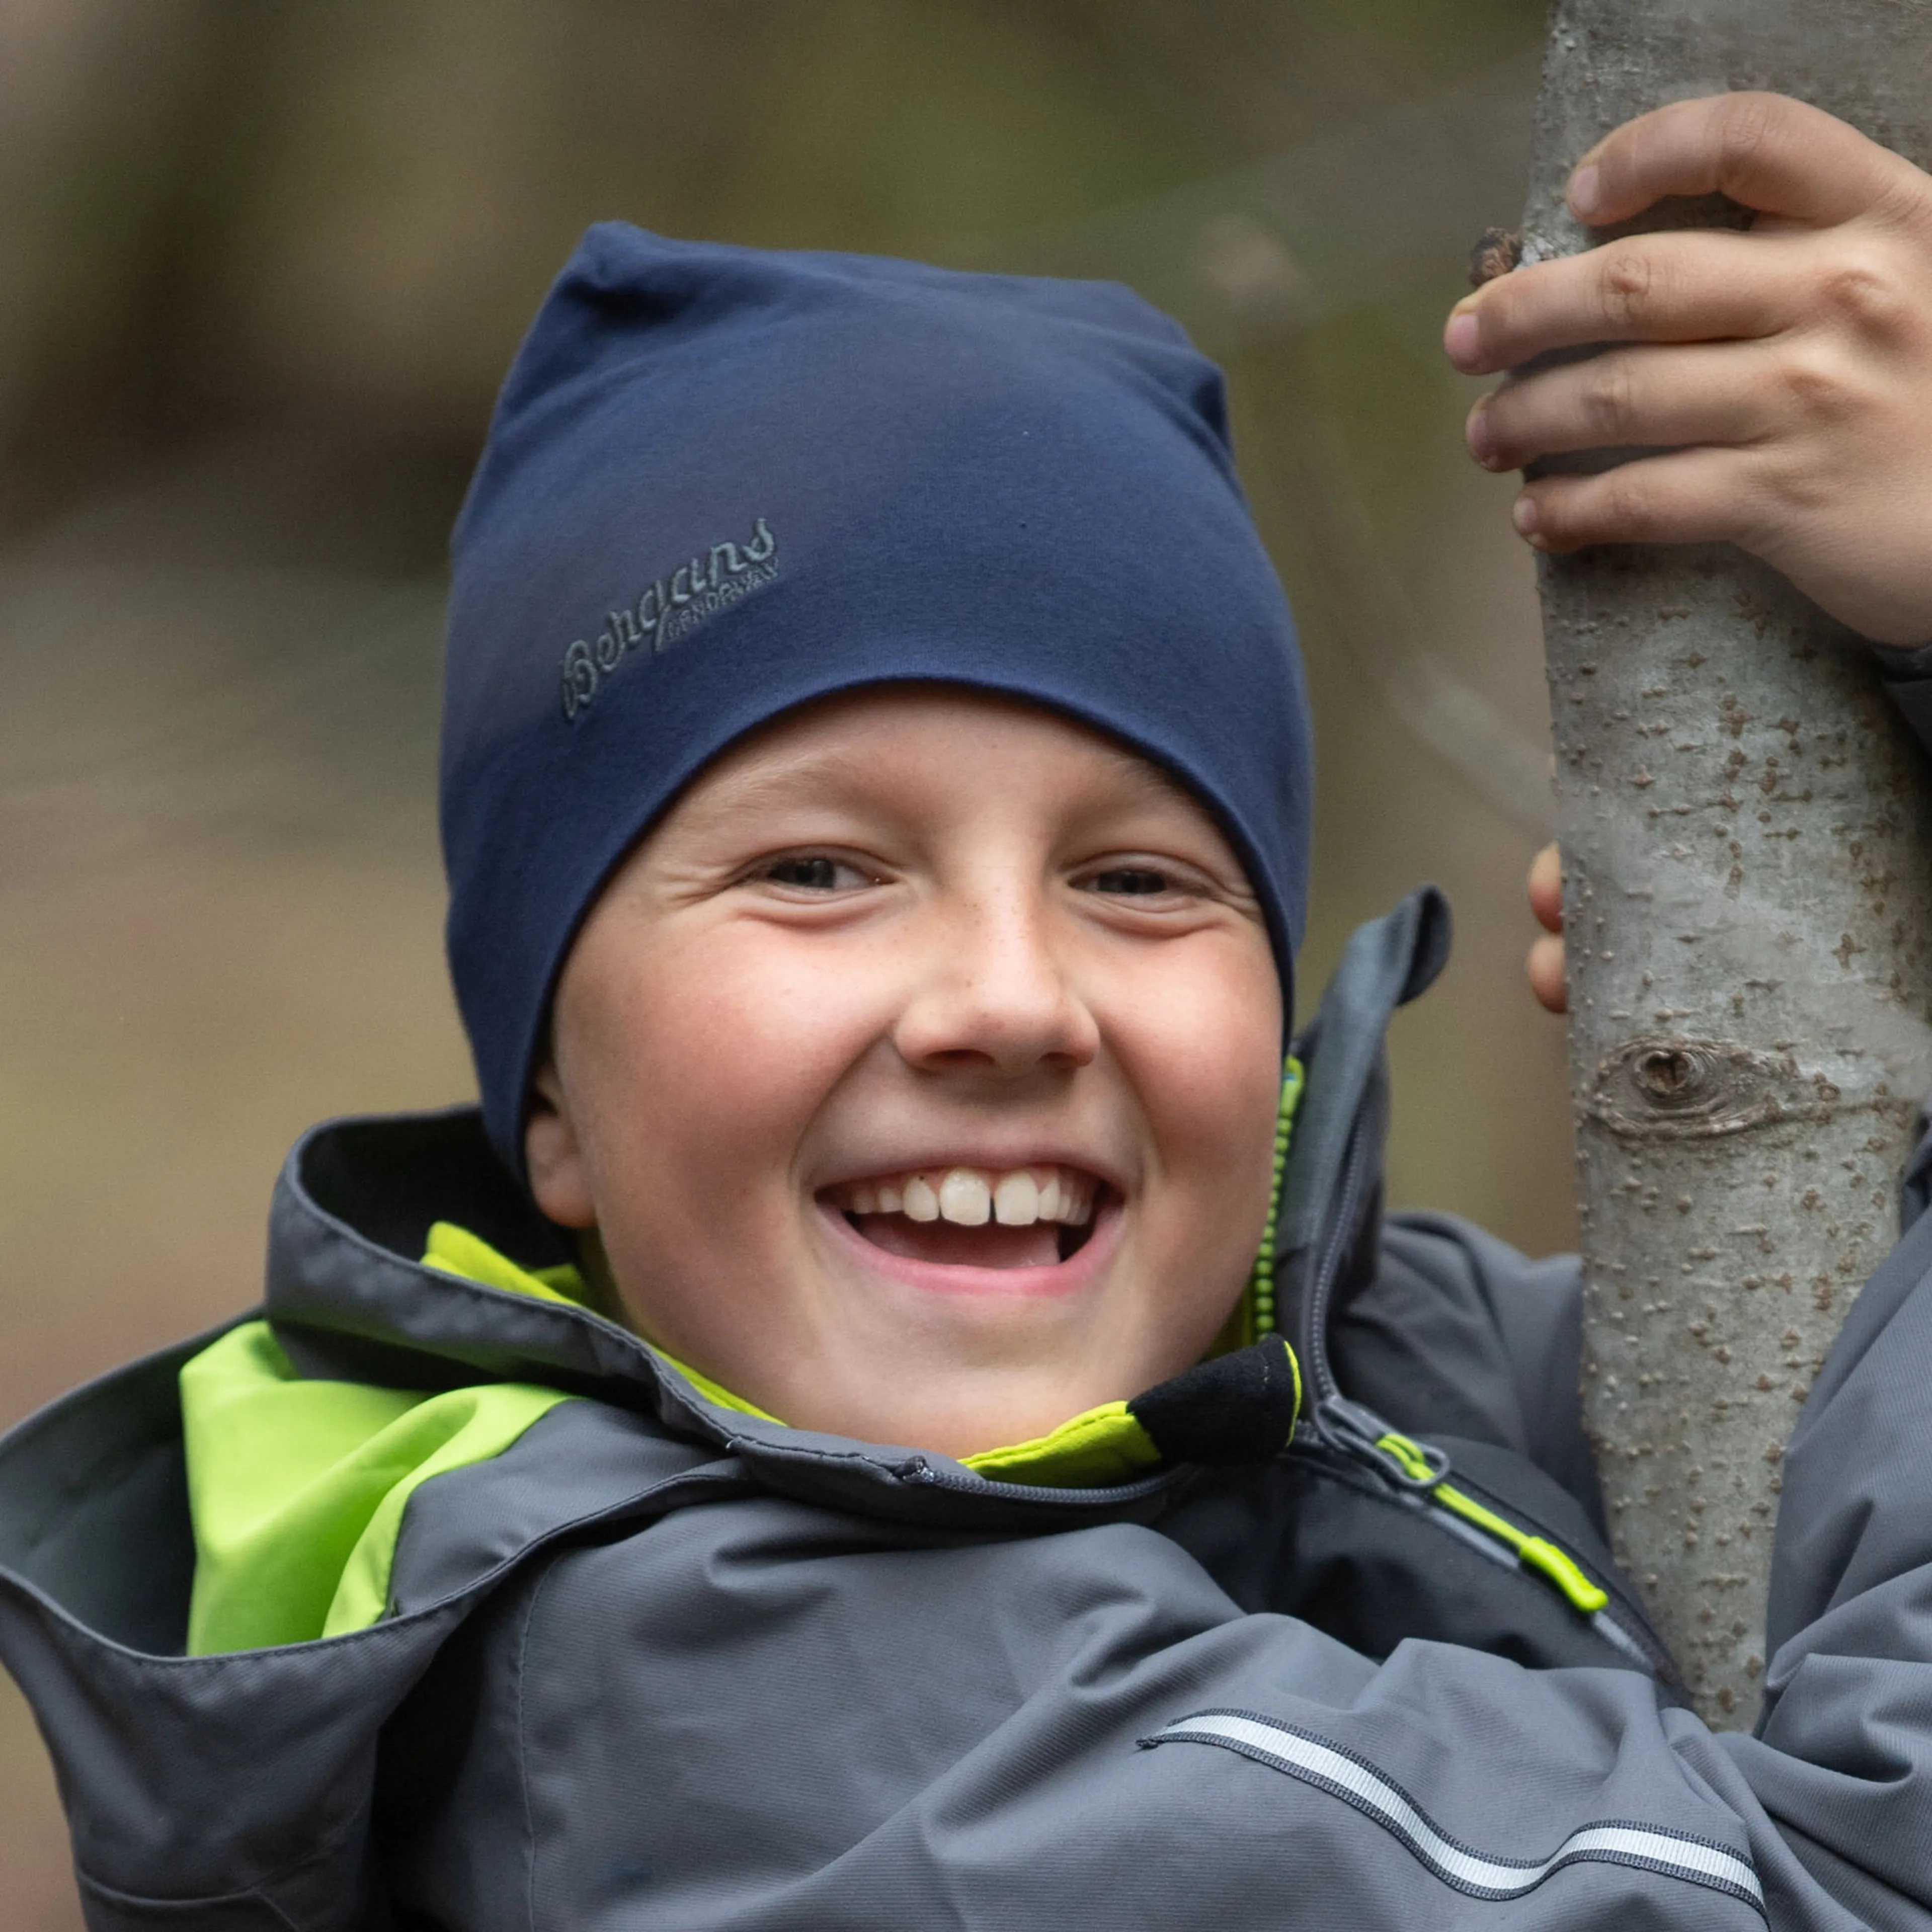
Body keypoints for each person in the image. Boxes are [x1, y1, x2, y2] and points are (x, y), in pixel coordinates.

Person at [3, 89, 1932, 1930]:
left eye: (1137, 881)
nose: (1011, 1002)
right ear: (554, 1114)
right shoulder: (721, 1706)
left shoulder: (1350, 1381)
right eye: (818, 872)